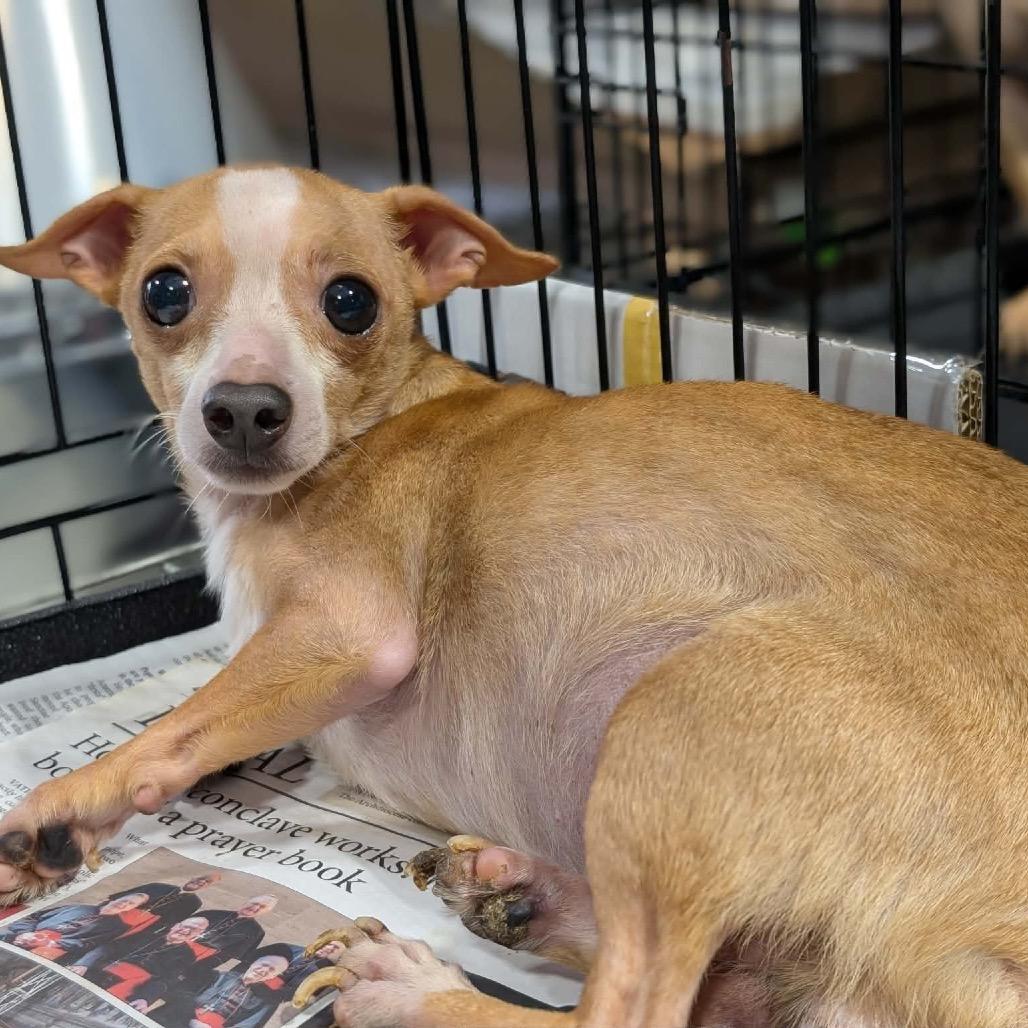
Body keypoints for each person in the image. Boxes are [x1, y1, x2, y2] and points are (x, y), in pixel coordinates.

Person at [77, 916, 217, 1020]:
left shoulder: (187, 955)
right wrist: (84, 963)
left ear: (197, 936)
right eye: (185, 926)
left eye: (193, 930)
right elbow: (107, 948)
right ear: (175, 925)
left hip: (131, 987)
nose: (186, 930)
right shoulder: (146, 935)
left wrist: (145, 998)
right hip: (99, 971)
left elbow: (166, 980)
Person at [10, 893, 153, 962]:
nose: (124, 904)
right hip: (21, 937)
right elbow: (33, 917)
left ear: (131, 909)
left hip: (50, 951)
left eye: (130, 904)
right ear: (115, 899)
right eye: (124, 900)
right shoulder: (79, 907)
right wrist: (25, 933)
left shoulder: (116, 927)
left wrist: (51, 943)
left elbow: (89, 945)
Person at [188, 944, 302, 1028]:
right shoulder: (219, 976)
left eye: (271, 970)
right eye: (264, 964)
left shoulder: (264, 1002)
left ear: (273, 976)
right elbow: (185, 996)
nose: (264, 970)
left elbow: (249, 1024)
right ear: (253, 963)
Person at [106, 873, 223, 941]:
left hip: (144, 926)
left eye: (207, 882)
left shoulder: (194, 903)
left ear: (206, 887)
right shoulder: (158, 886)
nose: (202, 882)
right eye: (200, 878)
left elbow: (173, 921)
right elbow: (120, 896)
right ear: (192, 878)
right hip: (117, 914)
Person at [195, 896, 277, 968]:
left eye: (262, 907)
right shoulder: (211, 913)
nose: (255, 907)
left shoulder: (256, 932)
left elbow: (234, 956)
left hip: (201, 961)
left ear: (265, 912)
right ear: (246, 902)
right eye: (254, 903)